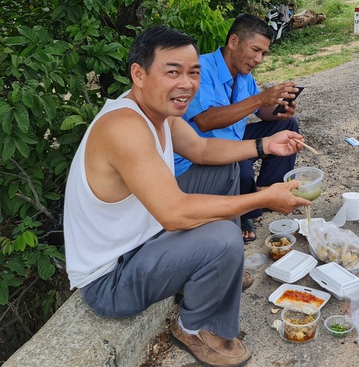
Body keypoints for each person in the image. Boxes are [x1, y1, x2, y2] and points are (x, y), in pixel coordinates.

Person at [63, 26, 310, 367]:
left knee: (224, 171)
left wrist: (264, 144)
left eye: (193, 72)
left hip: (145, 241)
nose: (187, 83)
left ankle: (214, 273)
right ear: (139, 73)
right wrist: (263, 197)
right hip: (111, 280)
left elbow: (202, 147)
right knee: (224, 237)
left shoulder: (156, 110)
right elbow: (174, 214)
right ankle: (194, 327)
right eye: (172, 72)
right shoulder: (125, 126)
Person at [174, 14, 302, 243]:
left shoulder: (244, 76)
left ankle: (266, 191)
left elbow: (258, 110)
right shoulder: (201, 69)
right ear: (234, 42)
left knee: (287, 125)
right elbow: (205, 120)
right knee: (239, 164)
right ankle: (246, 212)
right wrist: (261, 99)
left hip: (234, 139)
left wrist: (279, 110)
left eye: (263, 53)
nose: (259, 59)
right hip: (202, 151)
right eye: (255, 50)